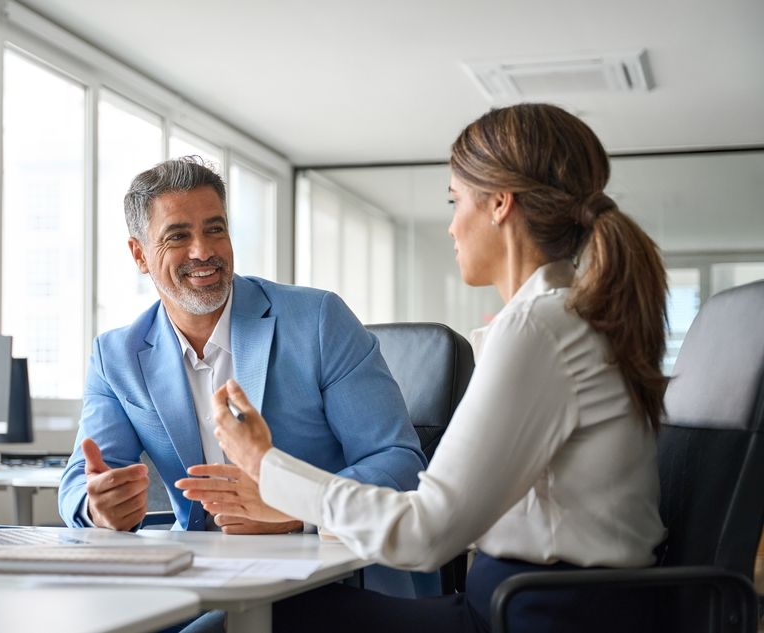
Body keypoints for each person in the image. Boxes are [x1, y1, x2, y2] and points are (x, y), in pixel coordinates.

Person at [205, 104, 669, 632]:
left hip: (537, 616)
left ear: (499, 204)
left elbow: (426, 532)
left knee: (276, 620)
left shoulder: (540, 329)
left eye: (456, 200)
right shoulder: (562, 318)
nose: (451, 226)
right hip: (536, 604)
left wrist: (266, 468)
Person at [57, 156, 428, 595]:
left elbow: (399, 461)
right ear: (139, 254)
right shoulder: (116, 354)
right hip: (198, 578)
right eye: (178, 235)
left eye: (215, 228)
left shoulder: (318, 320)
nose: (203, 251)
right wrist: (99, 507)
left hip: (330, 575)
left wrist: (294, 510)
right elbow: (82, 477)